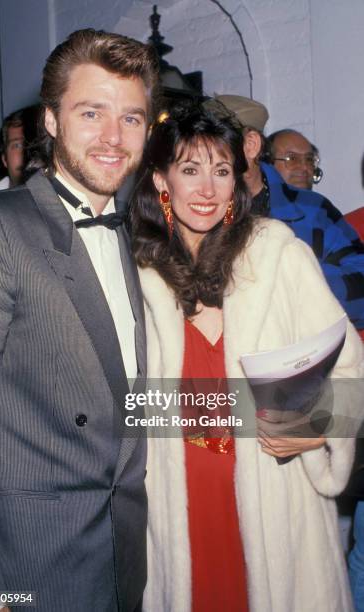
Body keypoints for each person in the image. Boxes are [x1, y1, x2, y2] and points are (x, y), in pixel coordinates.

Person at [129, 101, 363, 612]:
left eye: (221, 171)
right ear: (161, 181)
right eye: (190, 170)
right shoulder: (137, 277)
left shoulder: (277, 253)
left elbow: (350, 365)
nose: (208, 189)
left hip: (278, 506)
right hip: (179, 511)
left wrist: (316, 424)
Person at [0, 28, 158, 612]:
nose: (112, 137)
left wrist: (309, 413)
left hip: (121, 554)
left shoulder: (134, 236)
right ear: (50, 120)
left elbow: (124, 403)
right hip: (30, 567)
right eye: (91, 112)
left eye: (131, 118)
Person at [206, 95, 364, 333]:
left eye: (215, 144)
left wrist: (295, 284)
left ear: (251, 146)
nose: (204, 156)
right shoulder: (199, 209)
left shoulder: (312, 210)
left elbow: (361, 286)